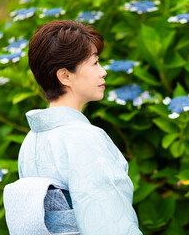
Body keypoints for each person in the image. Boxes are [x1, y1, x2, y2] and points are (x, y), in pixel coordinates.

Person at [18, 20, 142, 234]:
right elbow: (108, 225)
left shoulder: (30, 142)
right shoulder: (85, 139)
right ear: (65, 76)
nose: (102, 72)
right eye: (94, 63)